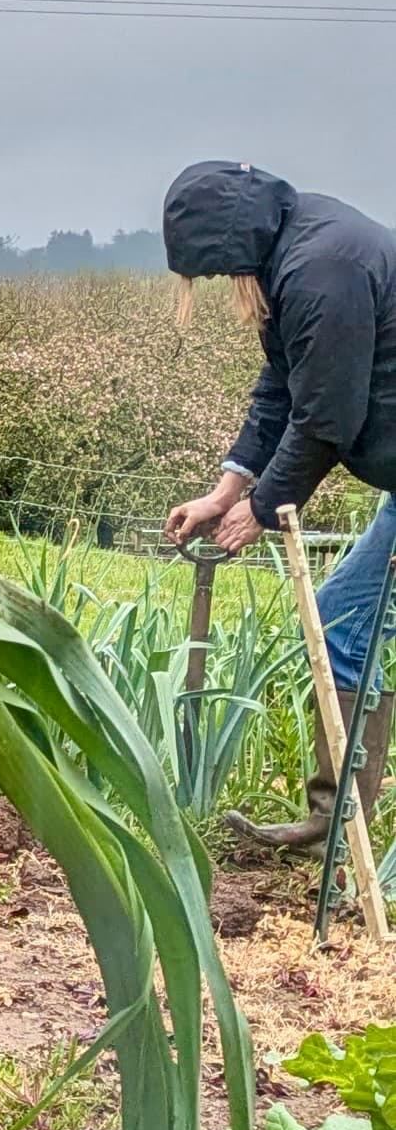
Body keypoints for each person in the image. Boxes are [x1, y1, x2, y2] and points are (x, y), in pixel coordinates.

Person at [162, 160, 396, 851]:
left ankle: (340, 835)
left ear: (228, 247)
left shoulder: (322, 269)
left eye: (209, 273)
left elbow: (326, 416)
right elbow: (284, 386)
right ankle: (338, 831)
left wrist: (262, 508)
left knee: (345, 627)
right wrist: (229, 487)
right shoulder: (299, 247)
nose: (216, 289)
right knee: (347, 625)